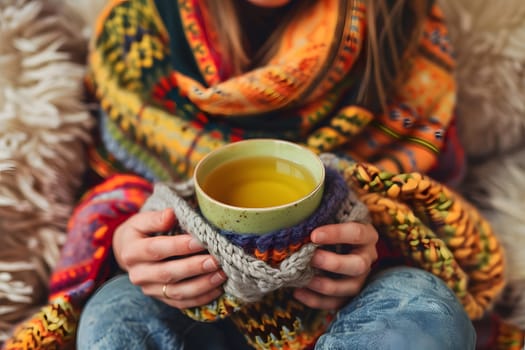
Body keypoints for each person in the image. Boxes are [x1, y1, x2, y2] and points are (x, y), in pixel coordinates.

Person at [4, 0, 514, 349]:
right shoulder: (137, 29)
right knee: (115, 316)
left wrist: (371, 245)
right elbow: (106, 182)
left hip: (353, 303)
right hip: (195, 302)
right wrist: (129, 245)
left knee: (427, 310)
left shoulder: (401, 25)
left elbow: (429, 200)